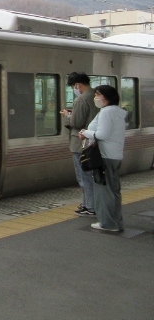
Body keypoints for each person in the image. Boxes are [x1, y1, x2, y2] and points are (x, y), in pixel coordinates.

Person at [79, 85, 126, 232]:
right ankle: (116, 222)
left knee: (103, 191)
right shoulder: (118, 111)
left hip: (104, 157)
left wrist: (85, 133)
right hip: (115, 155)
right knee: (114, 191)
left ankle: (107, 223)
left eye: (98, 95)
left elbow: (101, 135)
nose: (96, 98)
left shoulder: (106, 112)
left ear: (107, 97)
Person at [60, 72, 98, 216]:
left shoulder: (81, 99)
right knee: (91, 175)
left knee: (83, 176)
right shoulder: (96, 95)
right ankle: (88, 203)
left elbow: (76, 122)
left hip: (80, 142)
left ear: (77, 85)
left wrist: (67, 115)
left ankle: (90, 207)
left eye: (73, 86)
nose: (74, 89)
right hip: (94, 141)